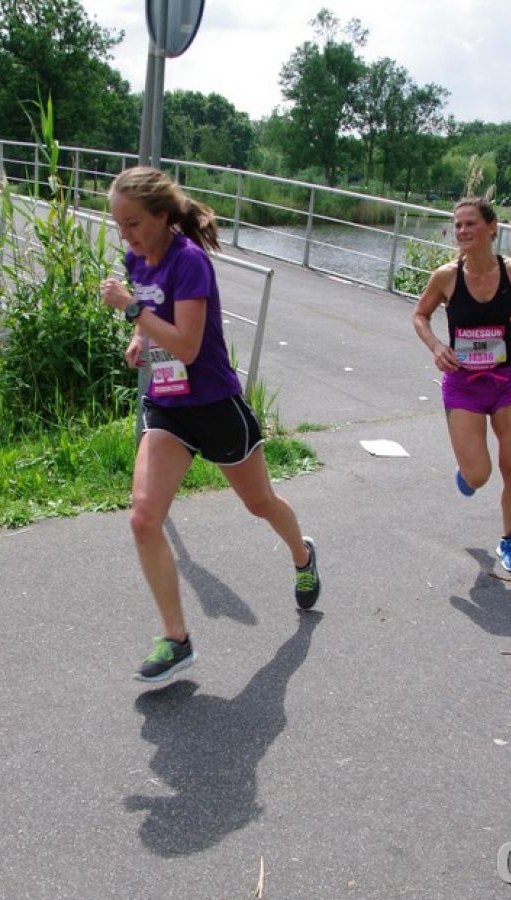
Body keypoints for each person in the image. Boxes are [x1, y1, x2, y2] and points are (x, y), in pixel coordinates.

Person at [100, 166, 321, 683]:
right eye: (118, 224)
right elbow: (157, 325)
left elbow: (187, 345)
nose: (125, 236)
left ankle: (302, 554)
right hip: (168, 406)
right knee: (143, 519)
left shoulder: (190, 262)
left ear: (161, 216)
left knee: (259, 502)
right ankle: (177, 640)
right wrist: (139, 340)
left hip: (214, 403)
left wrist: (131, 311)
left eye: (133, 223)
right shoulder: (137, 260)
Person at [411, 197, 511, 573]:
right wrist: (436, 347)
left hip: (508, 382)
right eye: (458, 225)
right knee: (479, 474)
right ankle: (467, 472)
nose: (462, 231)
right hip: (463, 384)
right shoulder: (446, 276)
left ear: (492, 228)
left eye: (470, 223)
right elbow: (420, 315)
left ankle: (509, 538)